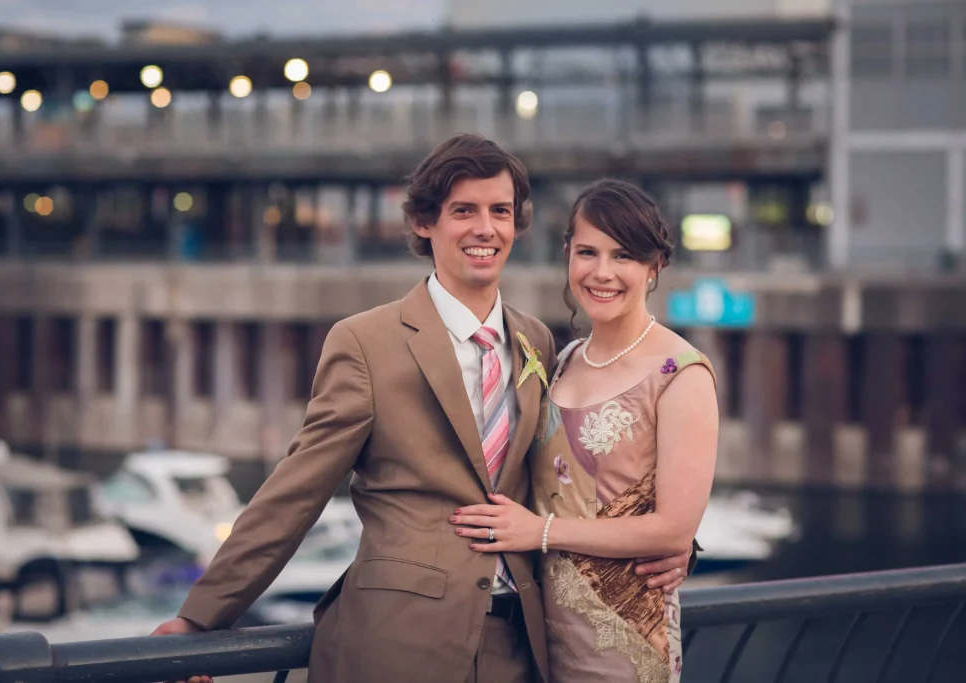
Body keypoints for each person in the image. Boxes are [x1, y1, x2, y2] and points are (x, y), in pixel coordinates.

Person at [151, 137, 692, 683]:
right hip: (397, 643)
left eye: (500, 211)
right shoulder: (365, 343)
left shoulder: (537, 341)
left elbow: (570, 480)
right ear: (424, 222)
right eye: (464, 211)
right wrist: (201, 617)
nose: (486, 228)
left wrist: (674, 545)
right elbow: (294, 493)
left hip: (518, 647)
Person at [450, 178, 719, 682]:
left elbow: (674, 527)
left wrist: (540, 532)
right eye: (587, 252)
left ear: (654, 266)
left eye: (623, 256)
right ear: (568, 255)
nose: (602, 273)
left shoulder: (680, 374)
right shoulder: (564, 360)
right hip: (539, 635)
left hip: (624, 637)